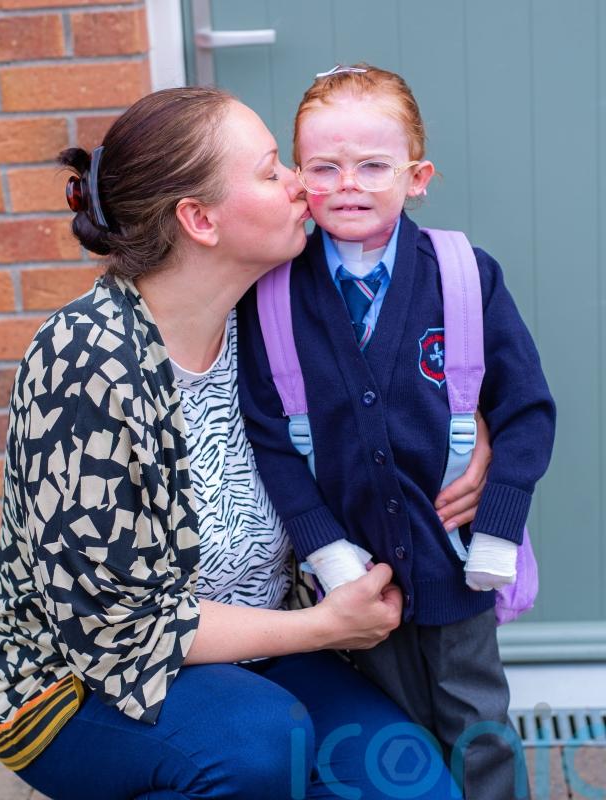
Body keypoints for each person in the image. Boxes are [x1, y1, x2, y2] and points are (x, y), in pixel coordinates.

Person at [0, 87, 490, 800]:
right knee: (260, 746)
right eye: (273, 171)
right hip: (77, 685)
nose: (303, 183)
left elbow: (409, 368)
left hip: (260, 654)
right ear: (200, 219)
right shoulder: (86, 361)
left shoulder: (271, 320)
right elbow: (121, 627)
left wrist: (475, 436)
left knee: (412, 781)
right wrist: (322, 627)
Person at [237, 65, 556, 800]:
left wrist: (499, 526)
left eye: (374, 165)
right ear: (298, 179)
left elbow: (526, 408)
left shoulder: (465, 276)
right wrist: (326, 549)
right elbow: (270, 435)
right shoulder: (273, 295)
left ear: (417, 177)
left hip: (454, 565)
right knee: (394, 739)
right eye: (325, 166)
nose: (349, 183)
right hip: (353, 580)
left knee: (477, 727)